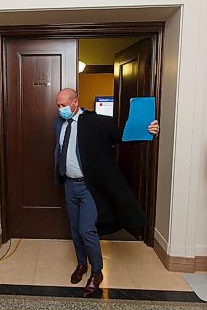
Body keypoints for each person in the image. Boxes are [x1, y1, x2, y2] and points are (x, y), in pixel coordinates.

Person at [54, 88, 159, 297]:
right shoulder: (59, 124)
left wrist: (148, 130)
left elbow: (123, 135)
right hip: (69, 185)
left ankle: (96, 272)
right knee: (74, 230)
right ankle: (81, 264)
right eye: (57, 106)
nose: (60, 109)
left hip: (89, 187)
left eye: (63, 105)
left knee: (86, 229)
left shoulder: (95, 122)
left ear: (76, 102)